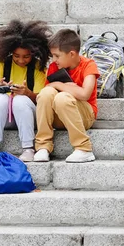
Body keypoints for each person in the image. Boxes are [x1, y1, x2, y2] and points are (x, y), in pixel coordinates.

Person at [0, 20, 52, 162]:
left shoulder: (38, 67)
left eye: (26, 56)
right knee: (2, 99)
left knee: (20, 100)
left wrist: (27, 92)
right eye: (16, 56)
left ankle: (28, 148)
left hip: (28, 116)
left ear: (33, 53)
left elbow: (41, 100)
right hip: (6, 117)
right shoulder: (2, 64)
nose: (21, 60)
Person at [33, 29, 100, 163]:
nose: (54, 60)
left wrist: (60, 85)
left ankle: (84, 148)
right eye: (52, 56)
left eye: (57, 56)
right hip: (59, 115)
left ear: (72, 54)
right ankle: (43, 146)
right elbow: (47, 91)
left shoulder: (88, 65)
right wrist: (64, 87)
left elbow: (84, 94)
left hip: (84, 116)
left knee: (62, 97)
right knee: (46, 94)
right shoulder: (54, 67)